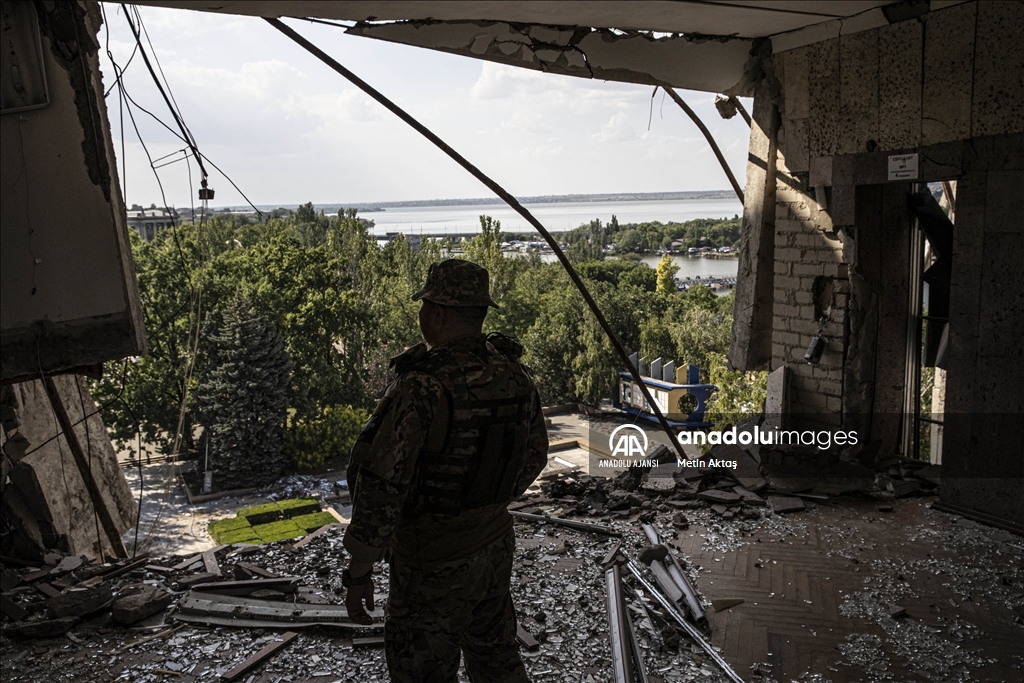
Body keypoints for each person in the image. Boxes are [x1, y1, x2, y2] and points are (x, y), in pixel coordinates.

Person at [343, 259, 549, 683]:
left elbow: (382, 487)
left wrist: (359, 571)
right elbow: (534, 456)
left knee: (422, 672)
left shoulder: (421, 386)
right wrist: (484, 503)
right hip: (493, 546)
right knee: (497, 659)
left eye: (424, 306)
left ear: (436, 313)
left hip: (432, 562)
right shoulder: (515, 375)